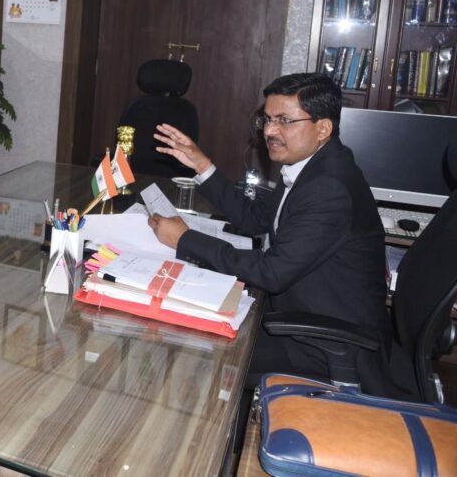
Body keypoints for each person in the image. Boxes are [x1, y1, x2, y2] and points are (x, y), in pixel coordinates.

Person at [146, 73, 391, 393]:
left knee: (197, 351)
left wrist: (184, 239)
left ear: (323, 128)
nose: (269, 131)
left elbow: (272, 273)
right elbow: (256, 220)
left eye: (284, 120)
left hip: (323, 343)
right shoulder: (310, 165)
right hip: (299, 316)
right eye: (268, 119)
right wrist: (202, 165)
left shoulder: (328, 187)